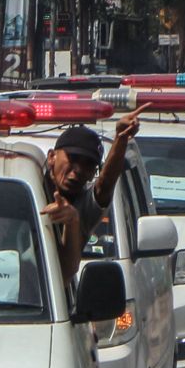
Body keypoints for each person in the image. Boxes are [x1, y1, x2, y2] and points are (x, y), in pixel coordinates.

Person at [40, 104, 149, 286]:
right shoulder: (28, 185)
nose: (77, 171)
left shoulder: (83, 207)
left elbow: (104, 186)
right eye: (72, 159)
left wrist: (121, 139)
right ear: (52, 157)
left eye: (88, 165)